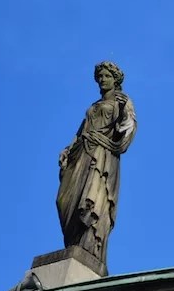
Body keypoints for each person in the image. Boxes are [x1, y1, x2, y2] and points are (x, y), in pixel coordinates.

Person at [56, 61, 137, 268]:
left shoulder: (122, 101)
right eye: (100, 76)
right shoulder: (93, 106)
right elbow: (80, 131)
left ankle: (90, 246)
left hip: (102, 155)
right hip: (82, 153)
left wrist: (122, 112)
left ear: (115, 80)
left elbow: (128, 127)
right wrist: (68, 148)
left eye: (106, 76)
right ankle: (73, 242)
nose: (102, 80)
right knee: (63, 200)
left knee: (93, 200)